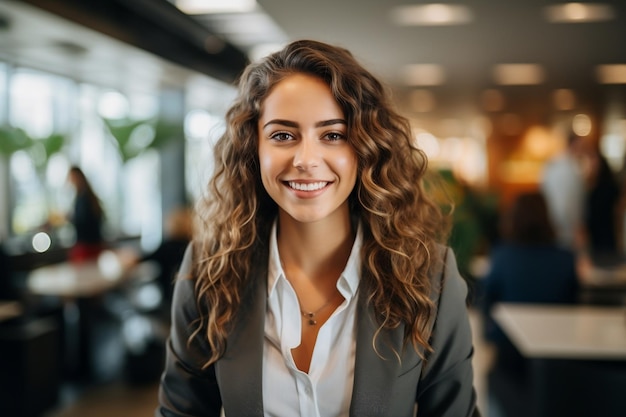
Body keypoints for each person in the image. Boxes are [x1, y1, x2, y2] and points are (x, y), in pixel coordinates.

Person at [157, 40, 479, 417]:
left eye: (332, 135)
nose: (306, 160)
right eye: (282, 135)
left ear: (364, 148)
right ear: (253, 148)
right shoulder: (207, 272)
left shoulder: (430, 277)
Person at [482, 192, 579, 369]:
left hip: (510, 350)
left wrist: (488, 336)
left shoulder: (502, 257)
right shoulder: (567, 258)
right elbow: (572, 303)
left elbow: (488, 300)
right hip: (558, 353)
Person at [540, 132, 587, 251]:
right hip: (565, 227)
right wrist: (576, 227)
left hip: (553, 223)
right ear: (574, 145)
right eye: (582, 147)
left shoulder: (553, 164)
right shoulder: (569, 169)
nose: (583, 152)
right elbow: (568, 202)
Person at [66, 166, 105, 262]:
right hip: (96, 244)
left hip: (86, 247)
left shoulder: (82, 198)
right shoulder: (90, 196)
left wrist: (69, 218)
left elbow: (82, 221)